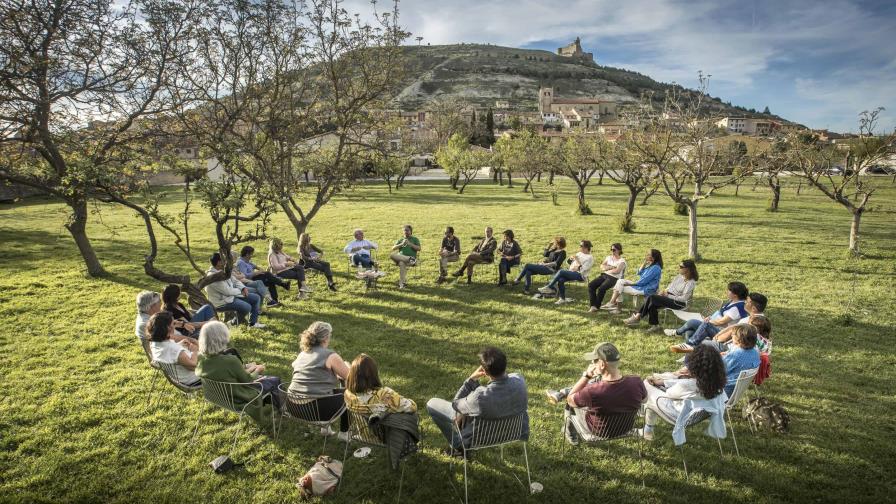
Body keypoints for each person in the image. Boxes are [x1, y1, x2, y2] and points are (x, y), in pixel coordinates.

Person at [426, 347, 528, 454]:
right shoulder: (519, 380)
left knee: (431, 404)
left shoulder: (479, 396)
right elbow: (507, 380)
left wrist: (471, 380)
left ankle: (457, 445)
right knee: (468, 407)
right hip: (513, 433)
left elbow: (455, 404)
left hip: (480, 438)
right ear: (505, 364)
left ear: (484, 371)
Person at [545, 342, 647, 445]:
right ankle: (562, 393)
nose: (592, 364)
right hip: (625, 428)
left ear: (602, 364)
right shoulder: (636, 381)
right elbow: (644, 400)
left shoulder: (592, 391)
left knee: (569, 405)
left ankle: (571, 434)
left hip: (598, 431)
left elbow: (570, 400)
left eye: (594, 361)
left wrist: (587, 376)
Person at [640, 344, 728, 442]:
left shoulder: (689, 385)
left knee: (647, 385)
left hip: (677, 413)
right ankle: (646, 421)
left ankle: (647, 427)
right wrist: (665, 381)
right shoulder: (716, 384)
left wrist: (661, 385)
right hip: (696, 414)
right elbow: (688, 383)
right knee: (656, 387)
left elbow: (670, 393)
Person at [195, 321, 281, 418]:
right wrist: (258, 369)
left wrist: (246, 368)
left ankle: (269, 404)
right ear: (222, 338)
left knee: (266, 381)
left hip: (216, 397)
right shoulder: (231, 361)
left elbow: (225, 374)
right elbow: (249, 380)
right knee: (274, 380)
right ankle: (283, 411)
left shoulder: (200, 357)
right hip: (238, 398)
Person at [287, 322, 351, 435]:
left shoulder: (302, 354)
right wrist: (348, 366)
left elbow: (299, 368)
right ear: (326, 338)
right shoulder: (330, 356)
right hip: (313, 410)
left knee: (325, 391)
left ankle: (326, 430)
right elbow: (351, 378)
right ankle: (344, 434)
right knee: (349, 394)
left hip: (293, 406)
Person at [666, 281, 749, 352]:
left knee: (695, 323)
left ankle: (686, 341)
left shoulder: (736, 308)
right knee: (689, 332)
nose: (727, 291)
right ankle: (686, 341)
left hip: (723, 333)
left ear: (735, 294)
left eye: (729, 290)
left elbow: (722, 321)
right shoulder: (733, 301)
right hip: (718, 327)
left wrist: (708, 321)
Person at [623, 260, 699, 332]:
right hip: (668, 297)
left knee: (652, 297)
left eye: (681, 267)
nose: (679, 268)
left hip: (678, 303)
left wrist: (668, 296)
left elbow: (683, 299)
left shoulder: (690, 283)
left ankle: (637, 317)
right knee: (652, 303)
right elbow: (670, 286)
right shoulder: (679, 277)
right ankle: (655, 326)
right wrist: (664, 291)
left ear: (688, 269)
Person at [205, 253, 265, 329]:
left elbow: (235, 280)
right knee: (247, 307)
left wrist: (243, 288)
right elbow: (228, 291)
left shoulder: (223, 270)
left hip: (231, 296)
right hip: (221, 302)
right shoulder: (212, 276)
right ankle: (232, 323)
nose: (227, 262)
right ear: (219, 262)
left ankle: (253, 323)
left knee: (256, 297)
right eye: (224, 260)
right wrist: (241, 291)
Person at [343, 354, 417, 415]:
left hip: (363, 432)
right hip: (387, 432)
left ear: (353, 376)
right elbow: (412, 407)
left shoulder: (348, 395)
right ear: (373, 374)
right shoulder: (383, 395)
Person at [601, 249, 663, 314]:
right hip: (640, 285)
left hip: (646, 289)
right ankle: (613, 303)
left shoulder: (655, 268)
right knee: (619, 282)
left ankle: (615, 306)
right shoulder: (651, 265)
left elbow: (644, 281)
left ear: (653, 257)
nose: (646, 255)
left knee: (619, 286)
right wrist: (644, 263)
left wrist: (630, 284)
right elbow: (639, 272)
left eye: (648, 254)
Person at [147, 311, 200, 386]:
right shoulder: (174, 350)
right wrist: (194, 351)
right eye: (173, 324)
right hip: (192, 379)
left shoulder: (153, 343)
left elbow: (169, 353)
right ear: (168, 328)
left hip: (178, 377)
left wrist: (179, 345)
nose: (174, 327)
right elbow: (193, 366)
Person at [536, 240, 595, 305]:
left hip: (581, 275)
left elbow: (582, 269)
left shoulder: (590, 258)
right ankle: (562, 299)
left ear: (586, 247)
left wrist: (577, 260)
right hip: (571, 272)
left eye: (581, 246)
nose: (579, 247)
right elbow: (569, 263)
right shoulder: (579, 253)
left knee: (561, 271)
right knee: (561, 280)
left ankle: (549, 287)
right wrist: (570, 259)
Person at [718, 325, 761, 396]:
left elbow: (716, 371)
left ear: (740, 339)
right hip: (736, 391)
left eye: (733, 334)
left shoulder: (734, 356)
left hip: (722, 391)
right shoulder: (755, 353)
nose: (731, 335)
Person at [586, 243, 627, 313]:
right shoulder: (608, 257)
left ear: (619, 250)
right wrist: (610, 267)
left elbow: (617, 271)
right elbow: (601, 266)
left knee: (602, 288)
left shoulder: (622, 261)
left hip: (614, 278)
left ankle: (596, 306)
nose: (612, 251)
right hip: (604, 275)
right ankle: (593, 305)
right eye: (611, 249)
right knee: (591, 285)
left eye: (614, 250)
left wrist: (607, 268)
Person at [390, 224, 421, 289]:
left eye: (407, 230)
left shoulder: (415, 239)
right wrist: (401, 244)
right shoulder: (401, 240)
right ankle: (410, 259)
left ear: (411, 231)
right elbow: (393, 248)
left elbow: (419, 248)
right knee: (392, 255)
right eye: (404, 230)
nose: (405, 232)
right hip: (407, 259)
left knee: (401, 263)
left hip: (411, 261)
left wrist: (410, 244)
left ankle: (402, 284)